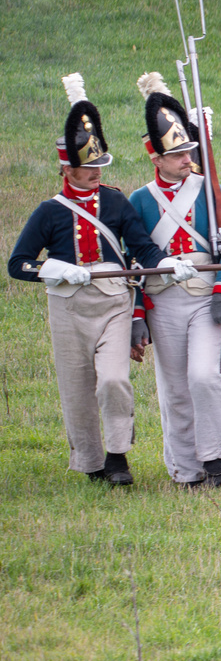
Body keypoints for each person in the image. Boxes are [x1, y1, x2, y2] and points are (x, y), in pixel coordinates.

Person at [9, 75, 184, 485]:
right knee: (76, 389)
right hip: (68, 306)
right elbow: (18, 263)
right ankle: (90, 465)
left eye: (97, 166)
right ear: (65, 168)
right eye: (85, 168)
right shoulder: (47, 212)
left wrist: (170, 265)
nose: (93, 174)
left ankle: (118, 456)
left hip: (112, 302)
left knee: (113, 380)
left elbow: (144, 249)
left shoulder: (116, 201)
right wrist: (54, 268)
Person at [127, 72, 221, 487]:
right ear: (155, 157)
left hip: (204, 298)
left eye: (189, 151)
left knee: (204, 377)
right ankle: (185, 470)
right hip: (163, 300)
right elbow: (135, 259)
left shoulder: (209, 190)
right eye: (177, 154)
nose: (186, 159)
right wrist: (137, 313)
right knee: (175, 389)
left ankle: (216, 460)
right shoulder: (140, 200)